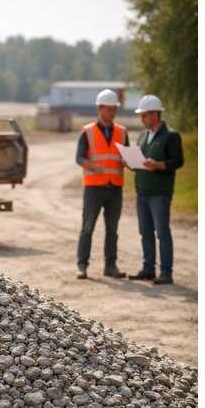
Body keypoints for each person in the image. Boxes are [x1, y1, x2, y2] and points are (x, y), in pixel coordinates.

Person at [128, 94, 184, 285]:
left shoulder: (171, 135)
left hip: (160, 193)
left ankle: (166, 272)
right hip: (142, 190)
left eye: (144, 115)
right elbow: (140, 160)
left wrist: (159, 165)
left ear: (154, 114)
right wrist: (129, 161)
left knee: (162, 232)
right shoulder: (143, 136)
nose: (141, 119)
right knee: (145, 232)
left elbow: (178, 161)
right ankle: (148, 269)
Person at [75, 89, 129, 280]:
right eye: (108, 109)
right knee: (87, 228)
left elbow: (126, 155)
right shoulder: (87, 132)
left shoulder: (122, 132)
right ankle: (82, 265)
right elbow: (79, 158)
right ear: (99, 108)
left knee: (112, 231)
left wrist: (127, 161)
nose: (111, 113)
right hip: (94, 188)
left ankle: (110, 265)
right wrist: (92, 166)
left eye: (114, 109)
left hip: (114, 187)